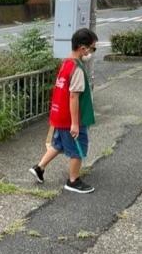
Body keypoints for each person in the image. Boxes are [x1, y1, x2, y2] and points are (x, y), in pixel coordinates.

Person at [29, 28, 97, 194]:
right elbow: (73, 97)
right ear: (83, 48)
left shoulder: (67, 63)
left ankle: (39, 167)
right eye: (92, 48)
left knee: (58, 144)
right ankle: (73, 181)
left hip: (59, 115)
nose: (92, 52)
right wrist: (75, 124)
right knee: (78, 149)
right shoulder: (78, 69)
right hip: (71, 119)